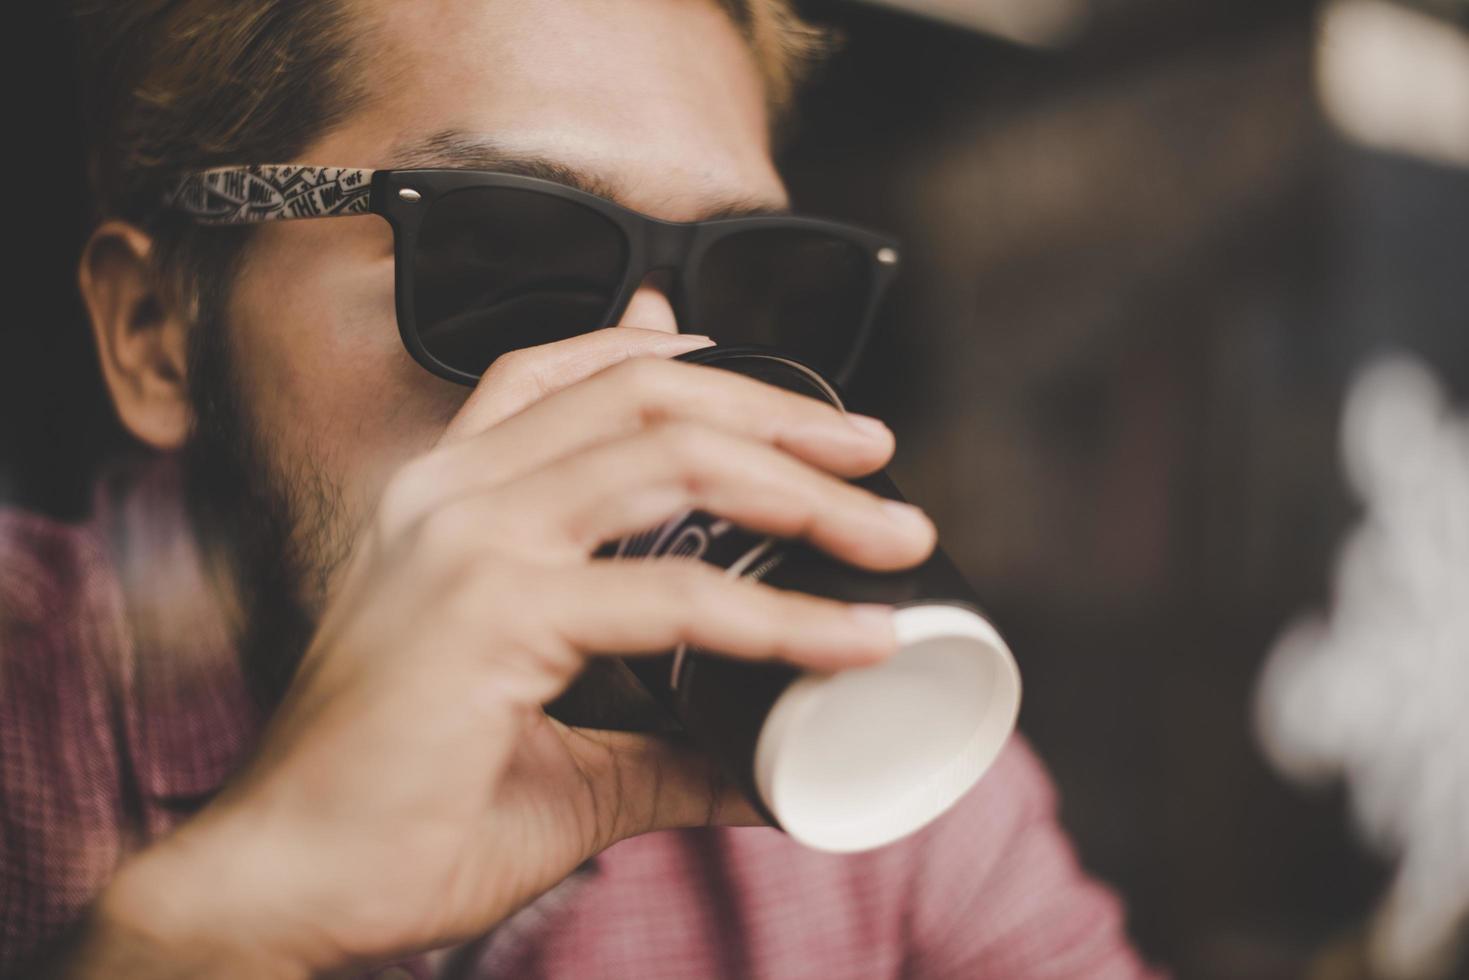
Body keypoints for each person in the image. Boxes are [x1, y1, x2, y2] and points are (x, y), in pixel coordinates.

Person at [0, 0, 1162, 976]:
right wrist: (220, 919)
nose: (655, 383)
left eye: (742, 289)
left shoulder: (855, 741)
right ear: (157, 333)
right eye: (502, 259)